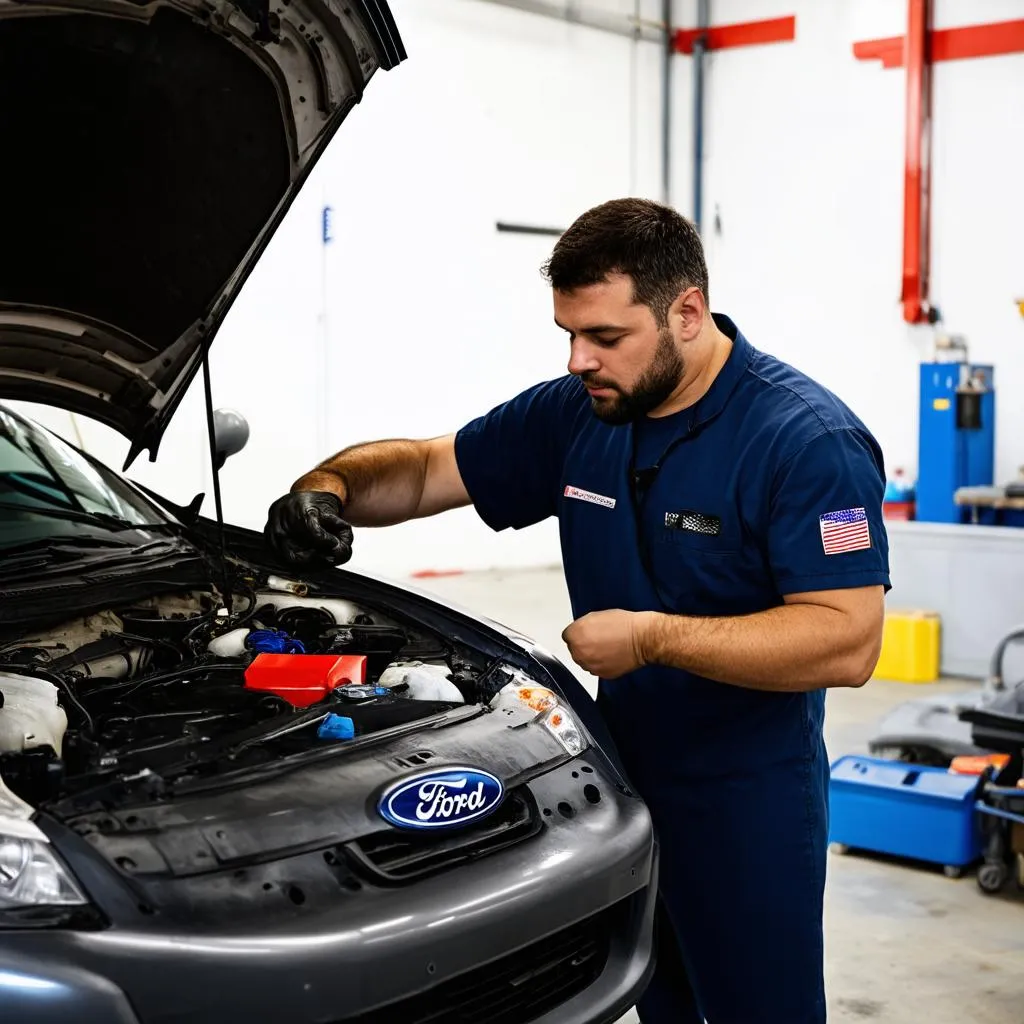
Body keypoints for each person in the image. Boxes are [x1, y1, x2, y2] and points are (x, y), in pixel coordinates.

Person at [263, 198, 890, 1023]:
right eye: (567, 334)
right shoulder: (583, 414)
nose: (576, 360)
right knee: (653, 999)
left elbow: (847, 642)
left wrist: (653, 639)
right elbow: (422, 471)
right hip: (619, 780)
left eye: (603, 337)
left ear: (687, 313)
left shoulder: (805, 442)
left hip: (747, 800)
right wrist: (329, 486)